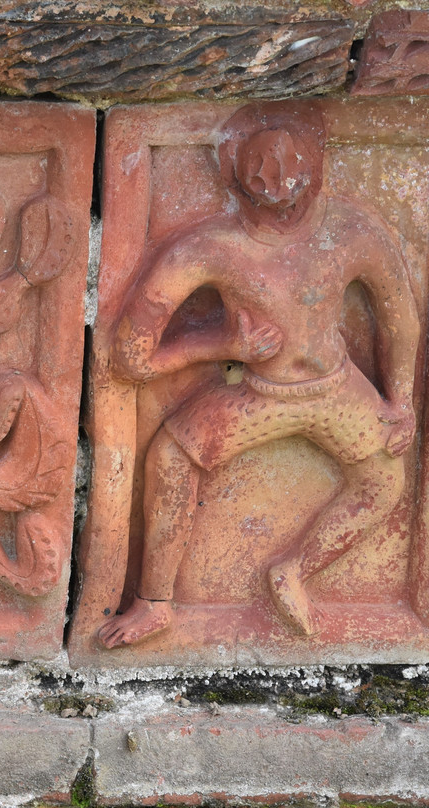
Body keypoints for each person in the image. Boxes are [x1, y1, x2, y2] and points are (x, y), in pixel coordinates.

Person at [98, 102, 419, 648]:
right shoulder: (209, 249)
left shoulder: (350, 232)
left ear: (317, 174)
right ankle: (154, 603)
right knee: (171, 459)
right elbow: (129, 357)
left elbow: (400, 319)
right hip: (258, 393)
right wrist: (220, 343)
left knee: (387, 480)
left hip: (334, 389)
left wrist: (401, 400)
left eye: (296, 195)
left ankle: (294, 569)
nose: (285, 212)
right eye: (269, 198)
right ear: (237, 182)